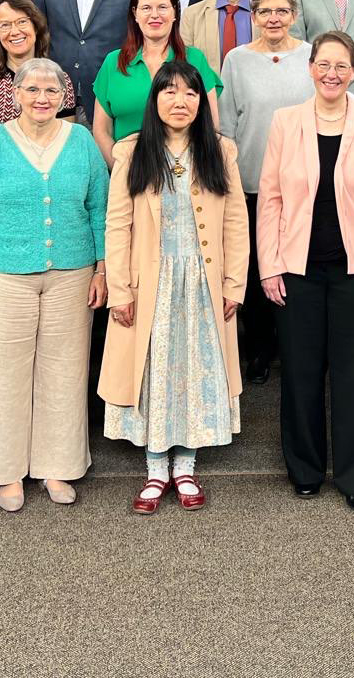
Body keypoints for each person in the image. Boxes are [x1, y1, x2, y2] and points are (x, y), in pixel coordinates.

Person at [0, 58, 109, 512]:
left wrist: (102, 269)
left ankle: (56, 466)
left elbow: (99, 207)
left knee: (65, 371)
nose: (42, 98)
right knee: (3, 373)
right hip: (4, 273)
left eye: (52, 92)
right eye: (33, 89)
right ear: (15, 94)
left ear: (65, 98)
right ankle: (6, 472)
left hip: (72, 272)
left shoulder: (79, 140)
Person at [257, 31, 354, 512]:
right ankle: (305, 469)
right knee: (299, 372)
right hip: (296, 268)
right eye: (324, 64)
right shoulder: (286, 122)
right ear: (311, 67)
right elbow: (271, 198)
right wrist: (269, 266)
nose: (332, 73)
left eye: (342, 65)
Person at [101, 61, 248, 513]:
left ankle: (185, 463)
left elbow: (237, 221)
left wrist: (233, 284)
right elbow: (118, 224)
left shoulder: (219, 151)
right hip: (153, 283)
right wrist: (120, 288)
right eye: (169, 92)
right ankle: (154, 466)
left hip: (202, 283)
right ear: (155, 100)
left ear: (201, 102)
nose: (179, 101)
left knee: (193, 369)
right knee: (154, 371)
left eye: (189, 93)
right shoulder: (132, 151)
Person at [218, 0, 314, 384]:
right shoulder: (237, 60)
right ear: (253, 17)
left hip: (303, 182)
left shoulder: (311, 57)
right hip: (251, 180)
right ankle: (258, 350)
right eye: (265, 12)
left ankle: (294, 349)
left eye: (281, 11)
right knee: (258, 270)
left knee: (296, 269)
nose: (273, 19)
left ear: (293, 16)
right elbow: (225, 123)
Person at [90, 0, 221, 160]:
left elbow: (211, 124)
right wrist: (124, 172)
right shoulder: (113, 63)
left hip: (186, 174)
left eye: (162, 7)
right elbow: (101, 131)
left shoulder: (195, 60)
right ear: (135, 14)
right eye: (146, 8)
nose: (154, 15)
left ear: (175, 12)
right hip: (127, 175)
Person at [0, 0, 77, 133]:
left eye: (22, 21)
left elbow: (66, 140)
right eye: (5, 25)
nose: (14, 31)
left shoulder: (59, 79)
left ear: (35, 26)